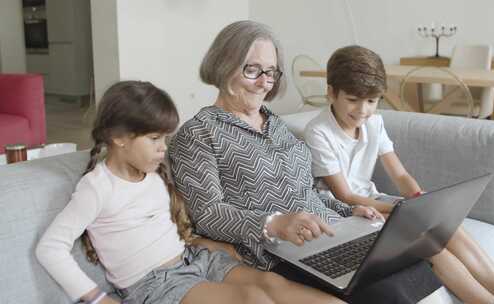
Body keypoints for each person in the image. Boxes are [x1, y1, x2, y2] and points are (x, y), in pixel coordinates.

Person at [169, 20, 443, 304]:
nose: (264, 81)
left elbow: (306, 194)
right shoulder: (198, 133)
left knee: (412, 267)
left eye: (271, 72)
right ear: (224, 65)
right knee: (389, 292)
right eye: (252, 70)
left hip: (331, 234)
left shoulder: (275, 124)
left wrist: (350, 210)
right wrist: (274, 223)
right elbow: (208, 214)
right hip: (276, 253)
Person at [35, 81, 343, 304]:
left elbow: (161, 225)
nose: (163, 148)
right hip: (153, 285)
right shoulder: (97, 187)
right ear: (118, 137)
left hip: (194, 259)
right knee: (253, 299)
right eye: (155, 138)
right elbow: (50, 248)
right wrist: (97, 298)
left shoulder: (153, 173)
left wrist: (201, 242)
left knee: (275, 284)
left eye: (164, 138)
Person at [303, 45, 494, 304]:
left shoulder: (373, 122)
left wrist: (418, 198)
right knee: (432, 246)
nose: (362, 110)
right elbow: (345, 195)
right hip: (345, 214)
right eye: (353, 100)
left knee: (449, 228)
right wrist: (403, 208)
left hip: (376, 203)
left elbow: (400, 175)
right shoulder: (319, 131)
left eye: (371, 101)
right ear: (331, 92)